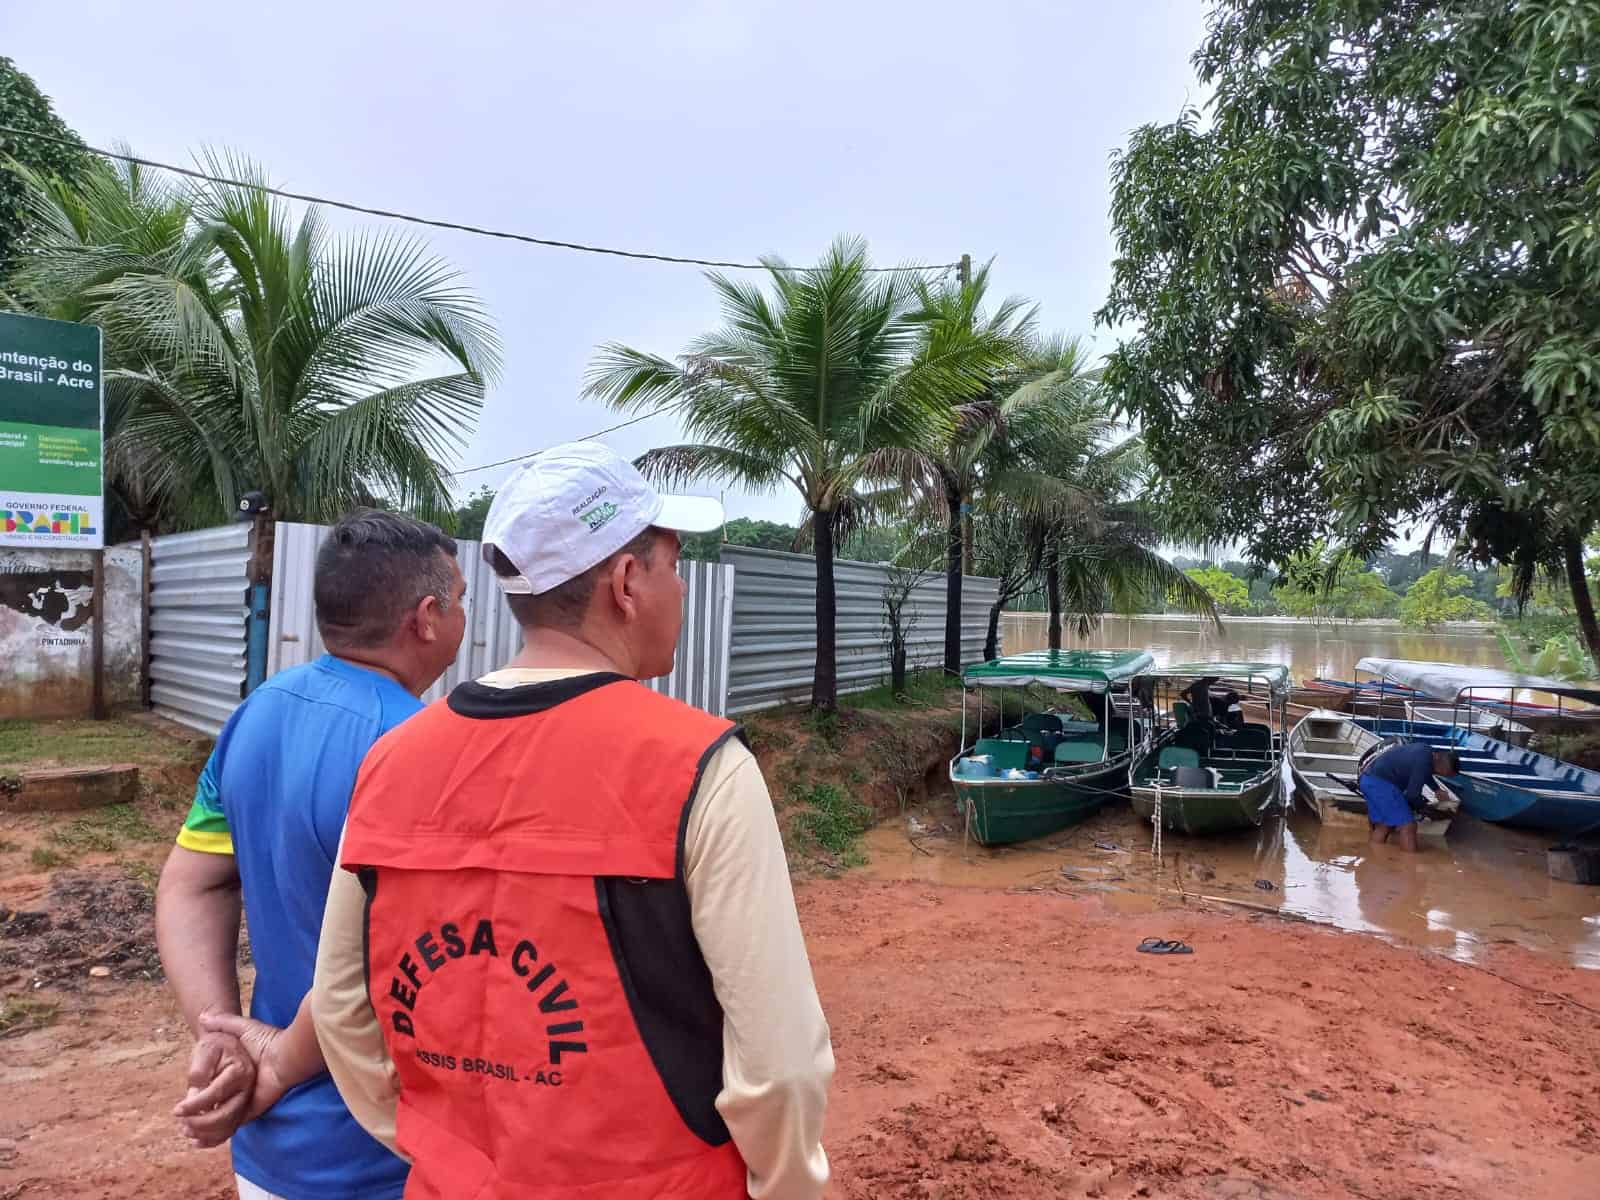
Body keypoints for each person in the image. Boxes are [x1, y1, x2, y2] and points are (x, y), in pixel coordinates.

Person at [209, 442, 834, 1199]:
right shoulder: (700, 765)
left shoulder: (394, 760)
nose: (681, 587)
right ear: (627, 582)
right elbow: (781, 1066)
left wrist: (435, 1142)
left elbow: (344, 1008)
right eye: (673, 565)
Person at [157, 510, 467, 1200]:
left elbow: (192, 885)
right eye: (462, 599)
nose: (463, 617)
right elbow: (389, 962)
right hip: (384, 1153)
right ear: (425, 618)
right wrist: (273, 1067)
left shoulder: (255, 713)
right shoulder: (423, 750)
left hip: (271, 1147)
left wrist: (220, 1036)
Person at [1358, 742, 1461, 853]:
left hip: (1368, 780)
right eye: (1444, 774)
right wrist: (1428, 811)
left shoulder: (1427, 751)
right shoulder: (1424, 763)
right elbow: (1412, 795)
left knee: (1385, 825)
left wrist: (1436, 789)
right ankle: (1410, 865)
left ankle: (1375, 856)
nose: (1440, 775)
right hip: (1381, 785)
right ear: (1442, 766)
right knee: (1408, 826)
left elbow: (1424, 771)